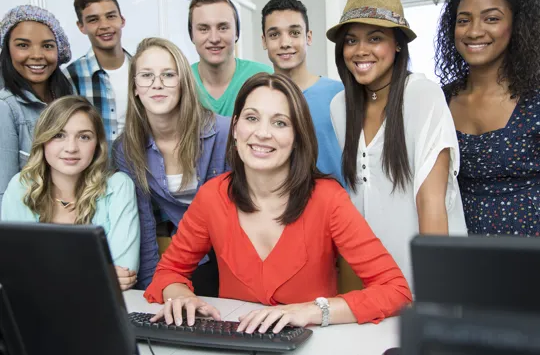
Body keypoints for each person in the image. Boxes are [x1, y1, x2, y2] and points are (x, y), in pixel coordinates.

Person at [144, 73, 411, 332]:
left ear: (297, 136)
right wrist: (180, 296)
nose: (262, 133)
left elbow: (396, 290)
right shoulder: (212, 196)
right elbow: (169, 272)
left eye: (280, 123)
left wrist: (309, 311)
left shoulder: (328, 199)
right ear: (235, 127)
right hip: (238, 347)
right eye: (252, 118)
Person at [327, 0, 467, 287]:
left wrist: (434, 297)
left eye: (375, 38)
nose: (360, 50)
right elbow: (355, 203)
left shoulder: (422, 94)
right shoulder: (339, 107)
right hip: (370, 276)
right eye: (351, 40)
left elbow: (432, 201)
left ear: (398, 44)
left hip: (426, 272)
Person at [113, 38, 230, 293]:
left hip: (231, 247)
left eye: (168, 74)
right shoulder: (127, 147)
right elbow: (143, 223)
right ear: (134, 87)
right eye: (146, 75)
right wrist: (149, 290)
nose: (157, 84)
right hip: (186, 250)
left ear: (183, 84)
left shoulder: (223, 131)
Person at [435, 0, 540, 236]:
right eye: (464, 20)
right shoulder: (439, 101)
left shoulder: (535, 99)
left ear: (517, 26)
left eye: (491, 19)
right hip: (463, 255)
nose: (474, 31)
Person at [2, 96, 140, 290]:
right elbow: (12, 272)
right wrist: (98, 273)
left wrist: (43, 272)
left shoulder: (118, 187)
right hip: (33, 307)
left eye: (84, 137)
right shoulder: (22, 186)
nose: (71, 148)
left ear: (97, 144)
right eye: (59, 135)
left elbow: (125, 272)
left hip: (98, 309)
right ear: (43, 139)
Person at [261, 0, 345, 185]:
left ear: (308, 37)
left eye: (294, 33)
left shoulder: (339, 94)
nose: (285, 43)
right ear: (264, 41)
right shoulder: (258, 101)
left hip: (335, 207)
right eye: (274, 35)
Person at [0, 5, 73, 216]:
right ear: (8, 50)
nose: (37, 55)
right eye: (23, 45)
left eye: (47, 46)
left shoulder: (70, 102)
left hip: (74, 221)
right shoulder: (6, 107)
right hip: (30, 229)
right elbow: (3, 194)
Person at [63, 0, 130, 146]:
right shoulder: (69, 77)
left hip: (139, 168)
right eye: (93, 20)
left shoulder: (143, 70)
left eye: (111, 16)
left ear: (122, 20)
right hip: (94, 169)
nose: (104, 25)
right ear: (81, 26)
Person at [189, 0, 272, 116]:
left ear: (237, 33)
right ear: (192, 35)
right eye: (203, 29)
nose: (214, 39)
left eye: (223, 28)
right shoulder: (179, 82)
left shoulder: (265, 77)